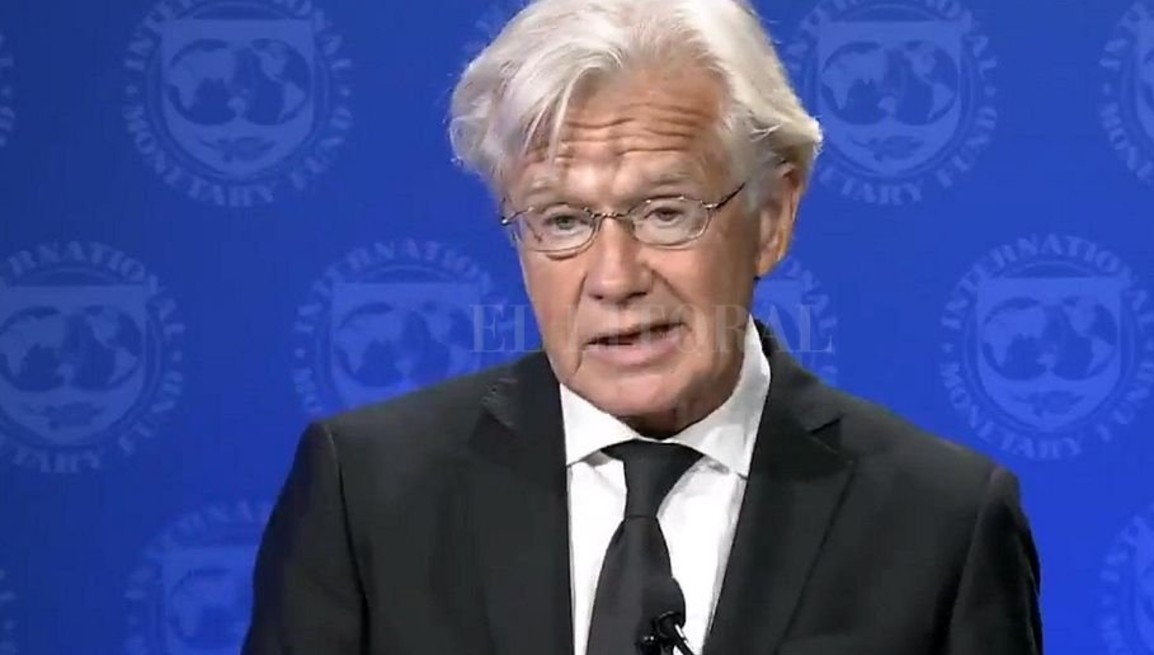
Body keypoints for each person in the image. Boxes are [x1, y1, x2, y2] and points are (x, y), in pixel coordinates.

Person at [241, 0, 1043, 653]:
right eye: (561, 219)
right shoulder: (367, 496)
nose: (615, 277)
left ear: (773, 214)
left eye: (665, 211)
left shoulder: (942, 525)